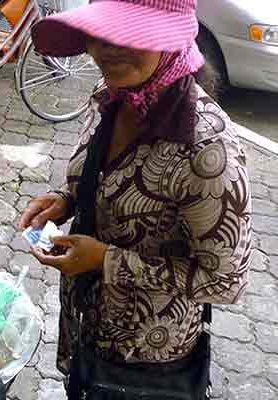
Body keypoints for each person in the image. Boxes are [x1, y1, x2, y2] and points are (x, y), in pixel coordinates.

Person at [18, 0, 252, 399]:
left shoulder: (208, 152)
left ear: (173, 41)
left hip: (146, 356)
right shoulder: (112, 93)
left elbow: (225, 281)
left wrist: (105, 260)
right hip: (85, 325)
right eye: (100, 33)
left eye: (131, 35)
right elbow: (106, 176)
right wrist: (69, 199)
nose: (106, 50)